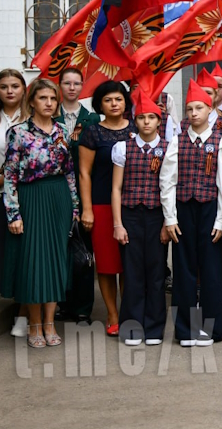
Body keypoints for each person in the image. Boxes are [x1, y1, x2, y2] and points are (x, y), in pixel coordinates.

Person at [3, 78, 79, 348]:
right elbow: (10, 175)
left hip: (58, 198)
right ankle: (34, 325)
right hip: (30, 198)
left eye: (52, 99)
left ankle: (49, 324)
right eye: (43, 98)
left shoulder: (61, 130)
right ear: (32, 101)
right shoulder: (18, 132)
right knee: (33, 263)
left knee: (57, 261)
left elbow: (69, 171)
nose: (49, 103)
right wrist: (13, 214)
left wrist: (75, 206)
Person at [161, 79, 222, 347]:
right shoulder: (176, 142)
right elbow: (167, 181)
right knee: (183, 268)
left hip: (211, 209)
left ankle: (212, 329)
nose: (193, 113)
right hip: (183, 210)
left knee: (211, 270)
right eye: (189, 109)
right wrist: (170, 217)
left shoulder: (220, 142)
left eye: (199, 107)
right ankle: (185, 330)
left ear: (210, 108)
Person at [111, 91, 168, 346]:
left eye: (151, 118)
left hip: (158, 216)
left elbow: (171, 188)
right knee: (133, 273)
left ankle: (155, 327)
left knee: (156, 273)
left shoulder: (169, 148)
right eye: (141, 117)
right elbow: (116, 188)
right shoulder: (123, 147)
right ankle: (132, 327)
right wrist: (118, 224)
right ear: (135, 120)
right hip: (131, 215)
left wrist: (169, 222)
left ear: (159, 121)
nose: (146, 122)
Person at [78, 80, 134, 337]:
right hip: (101, 205)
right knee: (108, 265)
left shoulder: (136, 129)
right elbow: (84, 173)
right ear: (99, 104)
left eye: (119, 99)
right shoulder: (92, 133)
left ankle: (128, 312)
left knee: (130, 263)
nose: (114, 104)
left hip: (134, 204)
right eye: (108, 100)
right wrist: (86, 209)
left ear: (126, 102)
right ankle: (112, 314)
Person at [0, 69, 29, 337]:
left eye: (15, 86)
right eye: (4, 86)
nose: (9, 91)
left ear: (23, 89)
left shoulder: (32, 119)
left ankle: (22, 314)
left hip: (22, 197)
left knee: (22, 255)